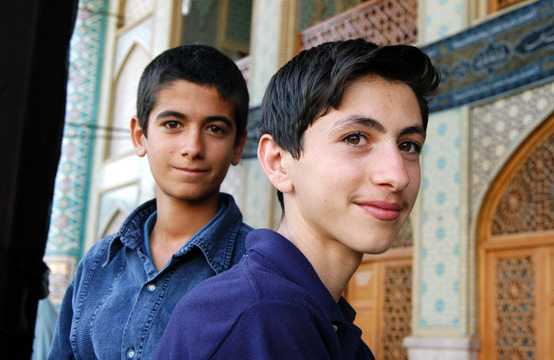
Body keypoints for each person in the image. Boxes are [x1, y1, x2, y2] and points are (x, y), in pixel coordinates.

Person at [155, 39, 440, 359]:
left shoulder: (321, 323)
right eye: (356, 138)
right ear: (278, 162)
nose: (397, 175)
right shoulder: (255, 321)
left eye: (408, 145)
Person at [49, 44, 252, 360]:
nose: (192, 147)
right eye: (173, 124)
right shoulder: (98, 264)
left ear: (238, 145)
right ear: (140, 136)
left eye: (215, 129)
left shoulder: (259, 267)